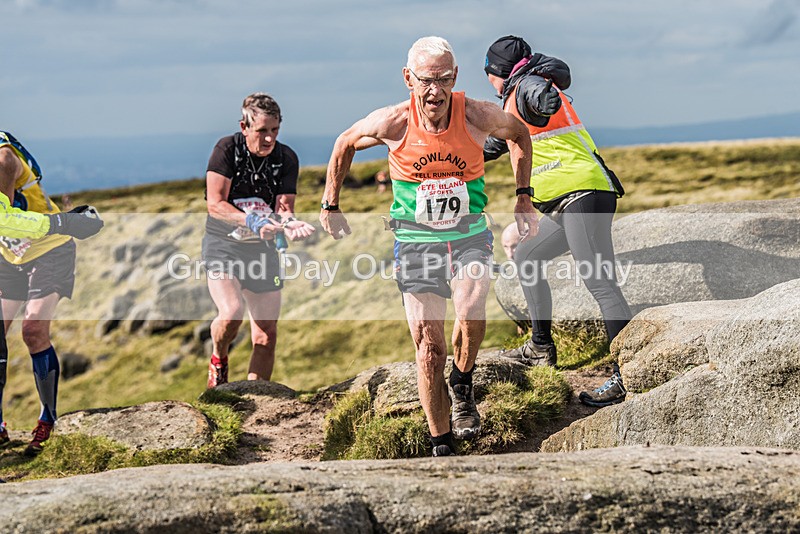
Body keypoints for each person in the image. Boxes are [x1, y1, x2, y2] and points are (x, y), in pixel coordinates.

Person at [320, 36, 534, 457]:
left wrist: (523, 196)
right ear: (408, 79)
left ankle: (463, 381)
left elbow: (520, 134)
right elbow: (344, 141)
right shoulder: (394, 122)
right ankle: (442, 443)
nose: (434, 90)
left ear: (454, 77)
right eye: (425, 81)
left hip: (470, 234)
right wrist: (331, 204)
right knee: (430, 346)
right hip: (416, 242)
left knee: (472, 318)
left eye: (442, 79)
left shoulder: (476, 114)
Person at [483, 36, 631, 407]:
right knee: (527, 257)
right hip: (569, 201)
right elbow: (490, 146)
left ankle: (627, 374)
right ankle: (540, 347)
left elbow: (536, 92)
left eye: (488, 74)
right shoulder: (514, 101)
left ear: (499, 72)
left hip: (584, 195)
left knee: (601, 283)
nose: (489, 81)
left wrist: (540, 97)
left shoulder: (526, 86)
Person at [0, 131, 104, 455]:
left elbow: (3, 220)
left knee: (33, 330)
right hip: (10, 255)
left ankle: (48, 419)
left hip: (49, 250)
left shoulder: (3, 160)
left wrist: (61, 224)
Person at [203, 93, 315, 389]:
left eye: (275, 130)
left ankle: (257, 398)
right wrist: (251, 220)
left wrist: (289, 224)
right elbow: (215, 204)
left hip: (262, 250)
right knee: (231, 312)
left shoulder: (286, 157)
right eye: (262, 131)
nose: (269, 139)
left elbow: (284, 207)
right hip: (224, 244)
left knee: (266, 334)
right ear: (244, 126)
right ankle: (219, 357)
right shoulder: (226, 149)